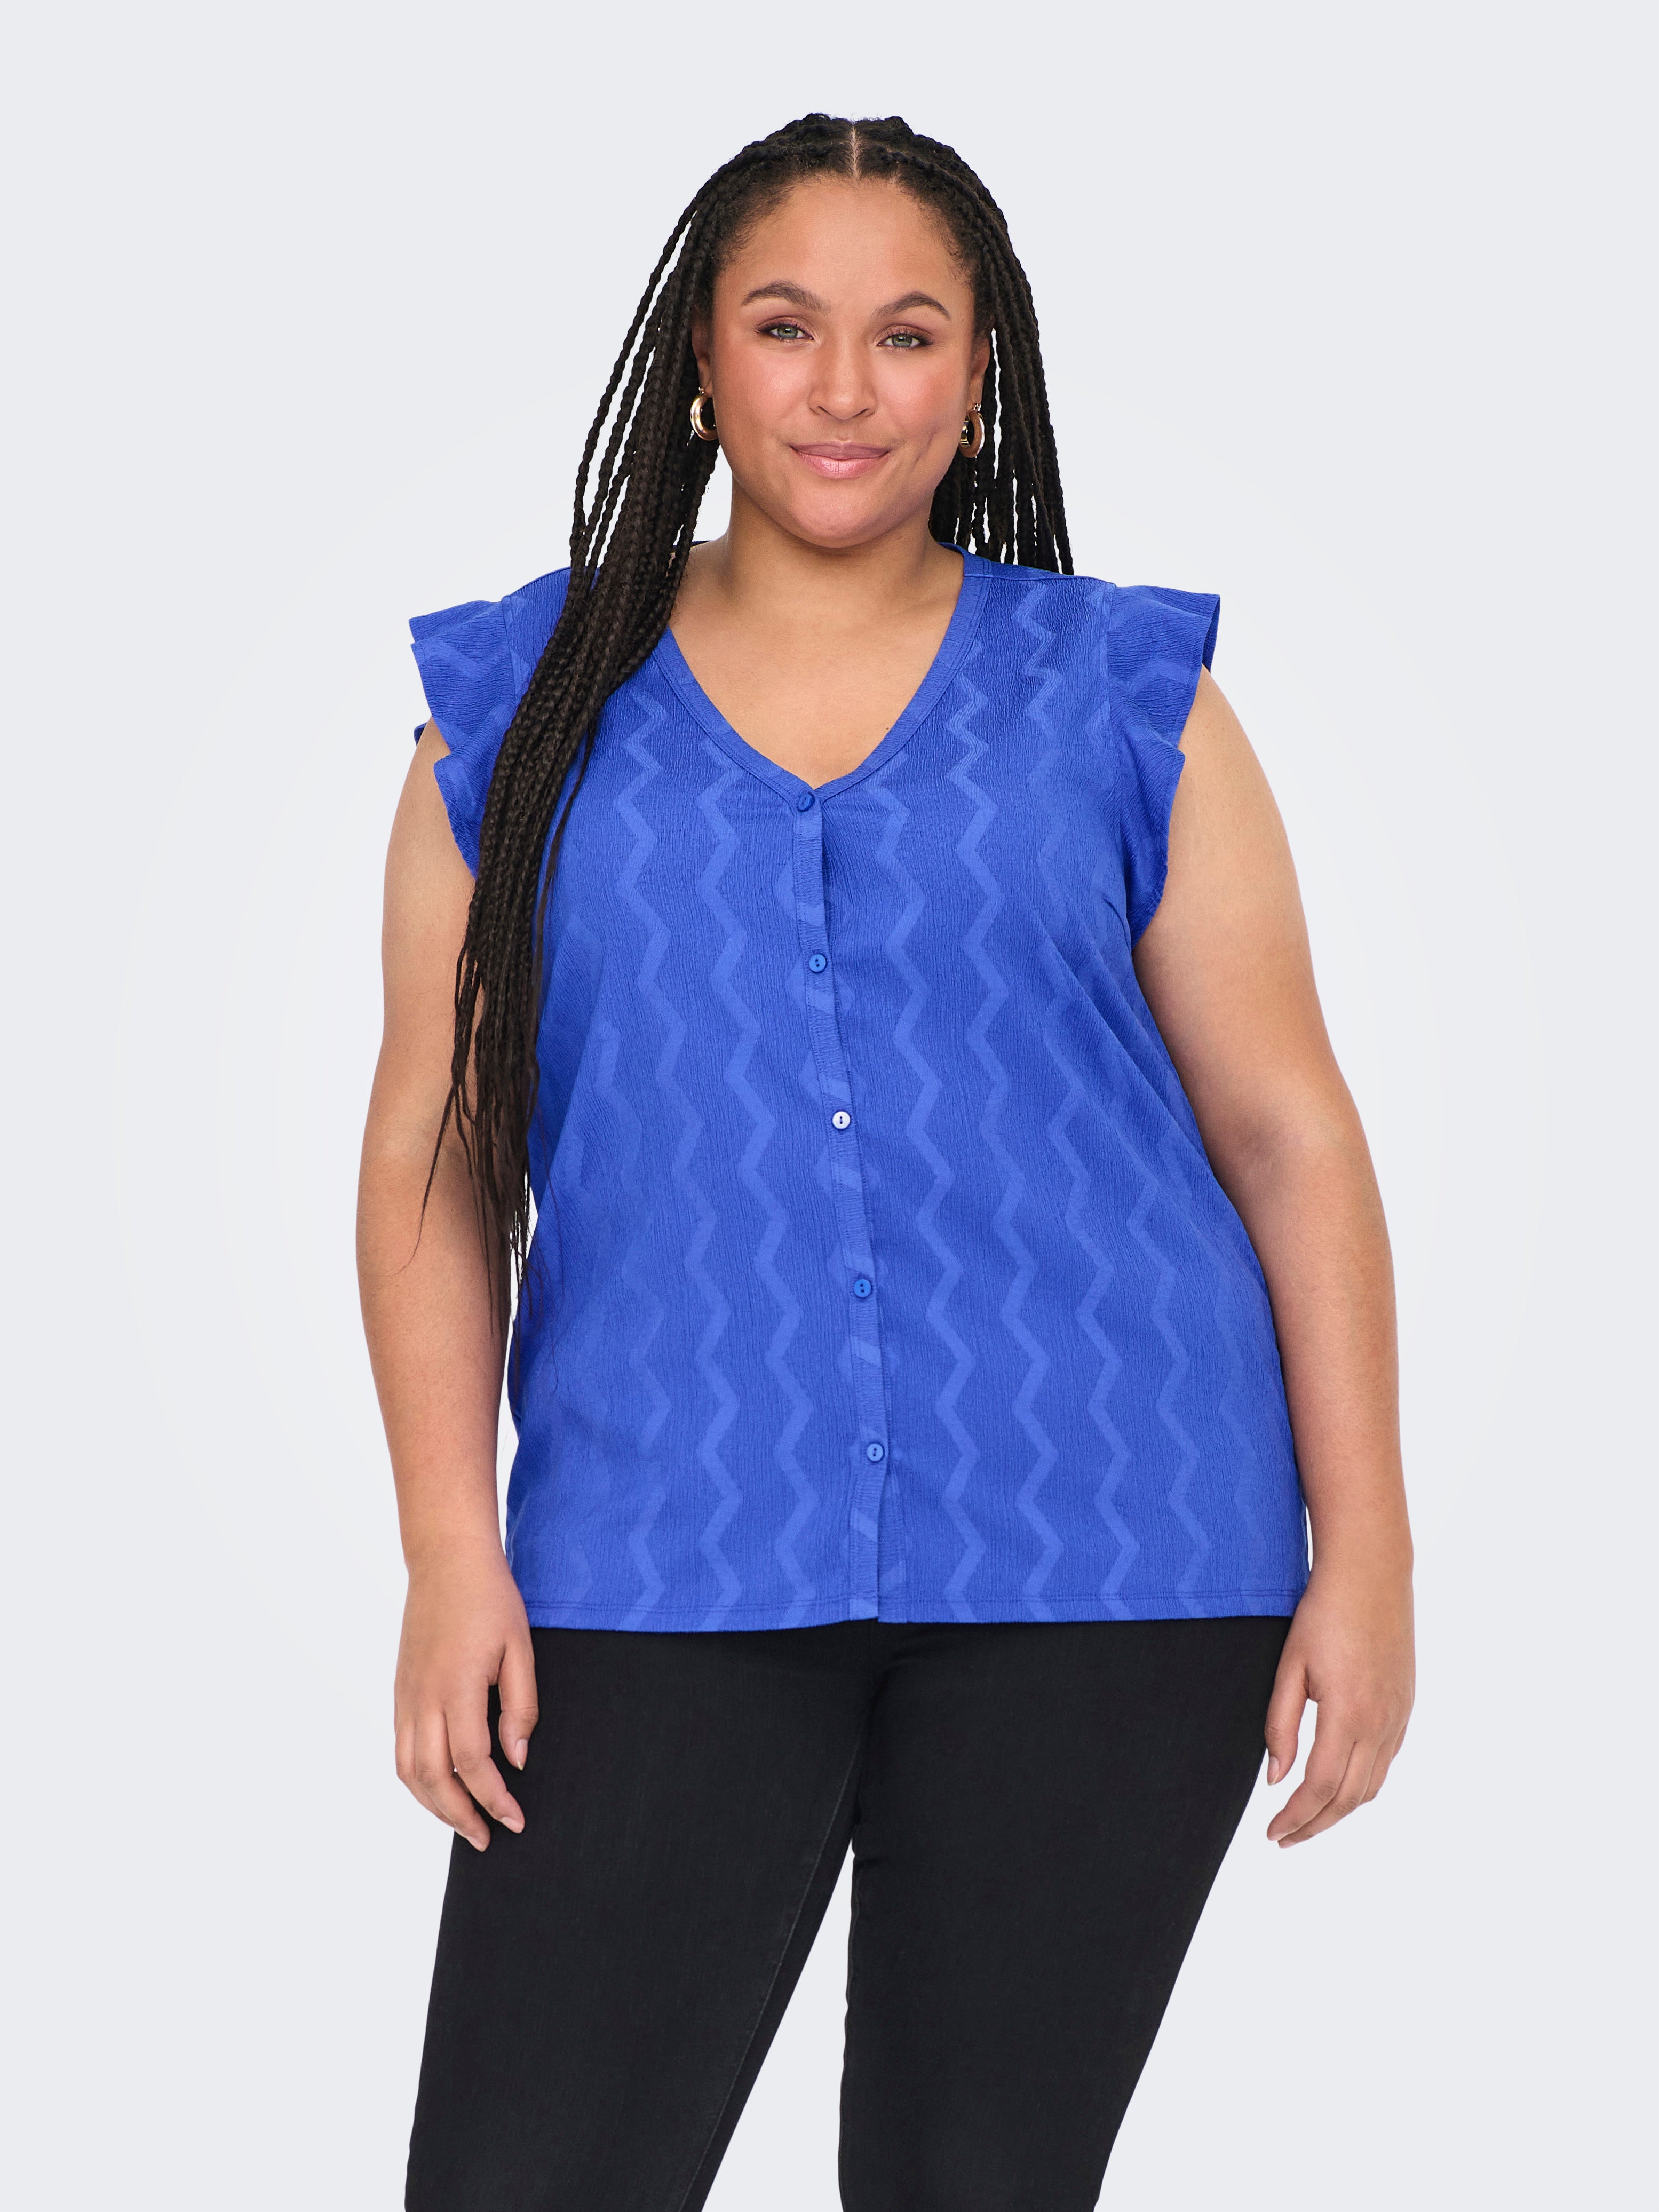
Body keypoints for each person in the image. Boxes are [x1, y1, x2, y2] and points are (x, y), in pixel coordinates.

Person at [357, 111, 1415, 2212]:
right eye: (785, 326)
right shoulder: (512, 711)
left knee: (975, 2179)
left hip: (1116, 1546)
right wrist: (448, 1550)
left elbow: (1287, 1130)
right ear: (699, 363)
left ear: (976, 379)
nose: (844, 388)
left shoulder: (1130, 698)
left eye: (907, 334)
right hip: (657, 1541)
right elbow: (436, 1156)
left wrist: (1367, 1544)